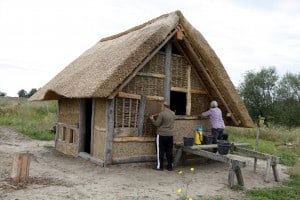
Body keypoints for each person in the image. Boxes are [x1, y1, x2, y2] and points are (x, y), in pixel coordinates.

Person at [150, 101, 175, 171]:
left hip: (161, 135)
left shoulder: (162, 114)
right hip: (170, 135)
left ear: (164, 106)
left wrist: (152, 119)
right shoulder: (173, 113)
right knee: (169, 151)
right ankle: (170, 166)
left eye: (161, 106)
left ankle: (159, 166)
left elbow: (157, 124)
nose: (161, 108)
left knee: (160, 151)